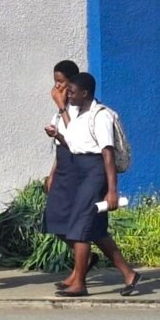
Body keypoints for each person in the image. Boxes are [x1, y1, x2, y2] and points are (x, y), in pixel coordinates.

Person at [51, 72, 141, 298]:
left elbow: (107, 154)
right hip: (80, 172)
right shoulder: (79, 115)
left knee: (80, 230)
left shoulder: (100, 116)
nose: (68, 95)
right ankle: (129, 274)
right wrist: (57, 136)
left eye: (72, 92)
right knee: (97, 231)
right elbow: (75, 145)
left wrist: (112, 190)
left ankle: (79, 283)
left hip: (95, 173)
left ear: (85, 93)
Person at [42, 59, 99, 288]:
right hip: (63, 168)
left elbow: (75, 140)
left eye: (62, 82)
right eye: (55, 82)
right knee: (54, 220)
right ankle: (82, 263)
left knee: (77, 225)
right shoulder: (63, 108)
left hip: (79, 170)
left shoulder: (79, 108)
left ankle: (80, 271)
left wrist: (61, 107)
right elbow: (61, 143)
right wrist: (52, 172)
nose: (57, 88)